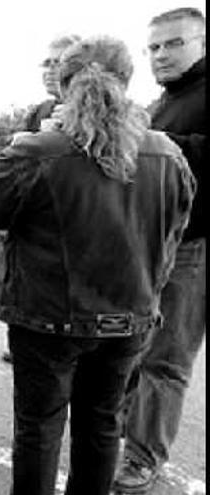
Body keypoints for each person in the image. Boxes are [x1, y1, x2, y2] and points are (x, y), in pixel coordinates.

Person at [0, 36, 195, 495]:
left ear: (64, 85)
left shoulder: (36, 149)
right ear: (128, 80)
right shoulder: (167, 153)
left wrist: (7, 149)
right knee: (102, 426)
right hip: (129, 319)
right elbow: (176, 229)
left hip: (46, 320)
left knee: (39, 429)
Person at [114, 8, 206, 494]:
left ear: (202, 43)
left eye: (174, 44)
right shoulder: (164, 101)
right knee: (137, 347)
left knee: (166, 362)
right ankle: (126, 433)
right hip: (157, 246)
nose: (161, 55)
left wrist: (145, 139)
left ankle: (143, 457)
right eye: (153, 48)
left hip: (193, 250)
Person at [0, 34, 81, 365]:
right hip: (35, 224)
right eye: (46, 63)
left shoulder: (96, 111)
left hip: (76, 226)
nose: (49, 70)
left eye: (57, 62)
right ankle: (22, 343)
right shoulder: (40, 110)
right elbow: (16, 160)